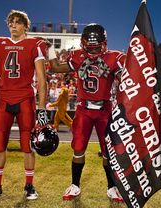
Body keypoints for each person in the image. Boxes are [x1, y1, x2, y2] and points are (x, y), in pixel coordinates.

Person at [0, 9, 49, 201]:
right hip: (4, 98)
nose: (13, 25)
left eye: (17, 22)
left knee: (28, 145)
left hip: (25, 98)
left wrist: (41, 108)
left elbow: (42, 79)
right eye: (10, 22)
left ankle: (29, 186)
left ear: (25, 26)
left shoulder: (35, 43)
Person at [49, 23, 125, 202]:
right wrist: (50, 49)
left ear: (104, 43)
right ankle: (75, 186)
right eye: (90, 47)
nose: (93, 51)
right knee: (78, 150)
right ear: (83, 43)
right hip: (83, 110)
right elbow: (56, 68)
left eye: (97, 46)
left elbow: (127, 80)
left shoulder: (115, 58)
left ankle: (112, 187)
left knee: (108, 152)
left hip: (105, 110)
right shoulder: (77, 56)